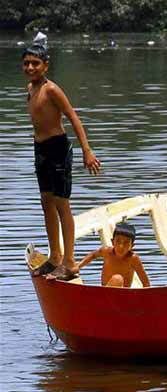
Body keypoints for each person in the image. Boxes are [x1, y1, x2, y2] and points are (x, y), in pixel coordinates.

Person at [24, 33, 102, 281]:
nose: (30, 68)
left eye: (35, 63)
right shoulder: (30, 88)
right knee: (46, 203)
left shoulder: (52, 89)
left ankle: (69, 262)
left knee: (61, 204)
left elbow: (73, 118)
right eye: (26, 63)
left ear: (45, 65)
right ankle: (55, 256)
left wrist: (86, 150)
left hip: (58, 148)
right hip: (41, 151)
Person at [77, 222, 150, 288]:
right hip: (105, 291)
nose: (121, 246)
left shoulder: (133, 259)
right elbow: (93, 255)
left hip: (123, 295)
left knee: (117, 279)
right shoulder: (106, 251)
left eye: (126, 243)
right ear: (112, 242)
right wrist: (79, 266)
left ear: (132, 246)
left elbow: (145, 282)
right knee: (116, 279)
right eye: (118, 241)